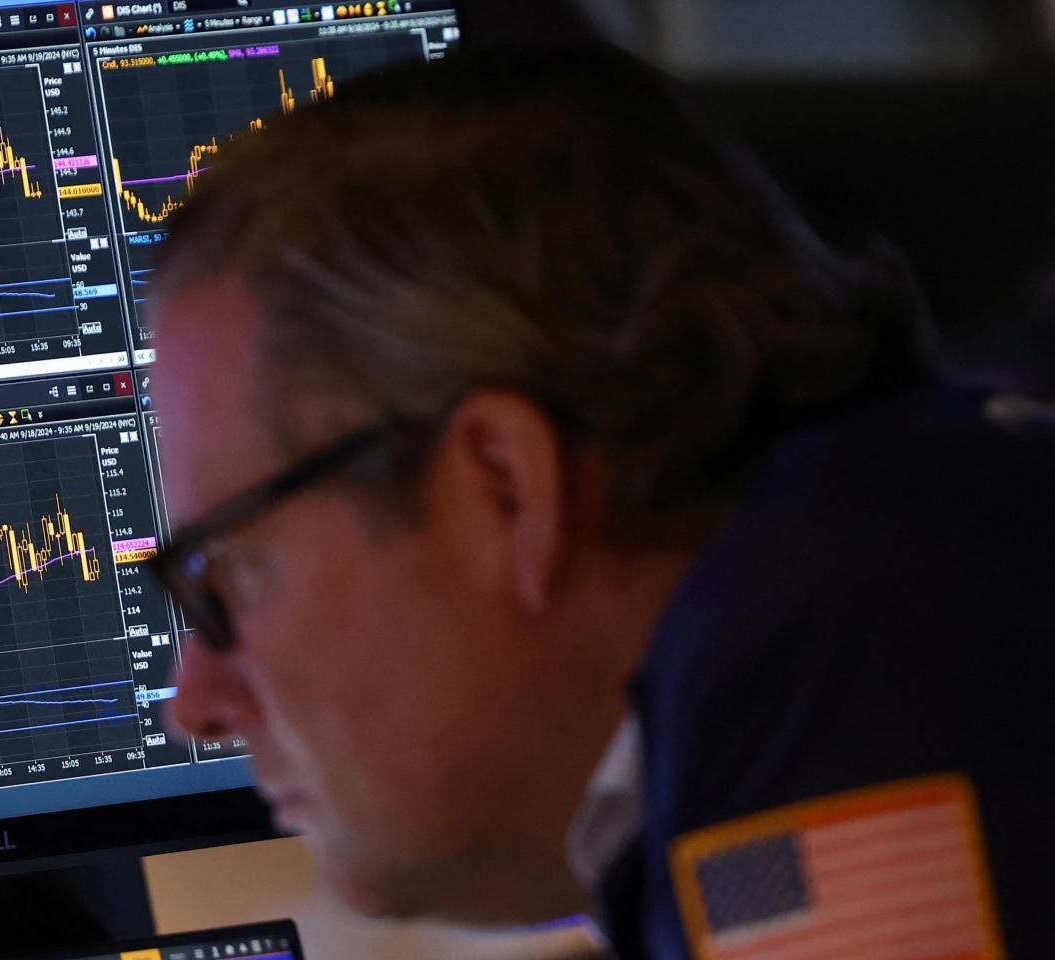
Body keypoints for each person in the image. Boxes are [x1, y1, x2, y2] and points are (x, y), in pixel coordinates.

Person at [144, 46, 1055, 958]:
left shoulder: (853, 706)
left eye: (231, 579)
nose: (196, 701)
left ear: (504, 485)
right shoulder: (891, 569)